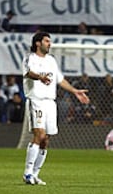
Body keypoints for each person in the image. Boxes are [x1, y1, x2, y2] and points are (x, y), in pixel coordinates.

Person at [22, 32, 89, 185]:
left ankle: (35, 174)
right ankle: (27, 173)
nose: (49, 44)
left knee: (46, 139)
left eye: (50, 41)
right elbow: (29, 73)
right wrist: (40, 77)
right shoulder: (30, 57)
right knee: (39, 134)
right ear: (38, 43)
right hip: (36, 100)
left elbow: (60, 80)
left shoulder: (51, 60)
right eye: (46, 41)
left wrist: (75, 91)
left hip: (50, 103)